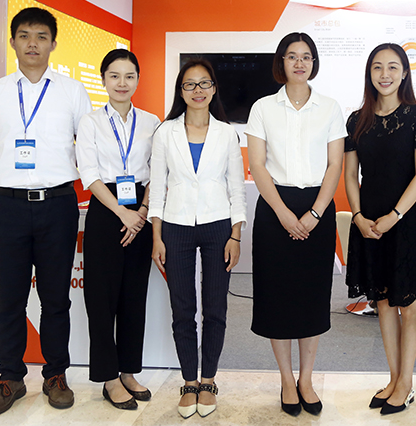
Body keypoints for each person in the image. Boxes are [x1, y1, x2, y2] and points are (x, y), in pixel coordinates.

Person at [0, 7, 92, 417]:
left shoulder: (72, 91)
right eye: (24, 35)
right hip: (8, 206)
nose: (33, 43)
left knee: (56, 299)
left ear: (53, 43)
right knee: (10, 300)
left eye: (41, 36)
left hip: (58, 204)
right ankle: (10, 378)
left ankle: (55, 375)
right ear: (13, 42)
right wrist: (15, 173)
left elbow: (87, 143)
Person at [245, 32, 345, 417]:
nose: (299, 63)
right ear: (281, 62)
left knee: (312, 297)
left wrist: (315, 213)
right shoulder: (263, 108)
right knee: (277, 298)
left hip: (317, 206)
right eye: (292, 56)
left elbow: (334, 165)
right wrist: (284, 213)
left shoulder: (330, 107)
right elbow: (257, 165)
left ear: (314, 63)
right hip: (275, 209)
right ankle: (287, 380)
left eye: (306, 57)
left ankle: (307, 379)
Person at [344, 42, 416, 415]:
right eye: (378, 67)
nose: (385, 74)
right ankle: (393, 378)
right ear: (369, 73)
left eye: (393, 67)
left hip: (404, 221)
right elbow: (351, 175)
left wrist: (395, 215)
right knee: (382, 302)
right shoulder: (356, 119)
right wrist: (357, 216)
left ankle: (407, 383)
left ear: (404, 73)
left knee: (408, 305)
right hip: (368, 222)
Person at [149, 58, 246, 419]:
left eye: (204, 83)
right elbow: (157, 187)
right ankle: (189, 381)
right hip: (175, 226)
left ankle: (209, 380)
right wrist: (156, 237)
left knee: (215, 307)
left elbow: (236, 188)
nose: (198, 90)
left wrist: (236, 235)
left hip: (218, 225)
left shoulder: (227, 133)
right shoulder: (165, 132)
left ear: (214, 88)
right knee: (182, 308)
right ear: (181, 91)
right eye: (190, 84)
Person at [76, 49, 160, 410]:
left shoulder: (152, 121)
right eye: (114, 76)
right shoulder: (91, 122)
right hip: (106, 208)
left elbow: (159, 170)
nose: (122, 83)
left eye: (129, 76)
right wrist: (122, 213)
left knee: (133, 297)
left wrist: (141, 212)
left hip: (141, 207)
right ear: (103, 80)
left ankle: (128, 371)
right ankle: (109, 377)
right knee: (102, 298)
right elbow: (89, 173)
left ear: (138, 79)